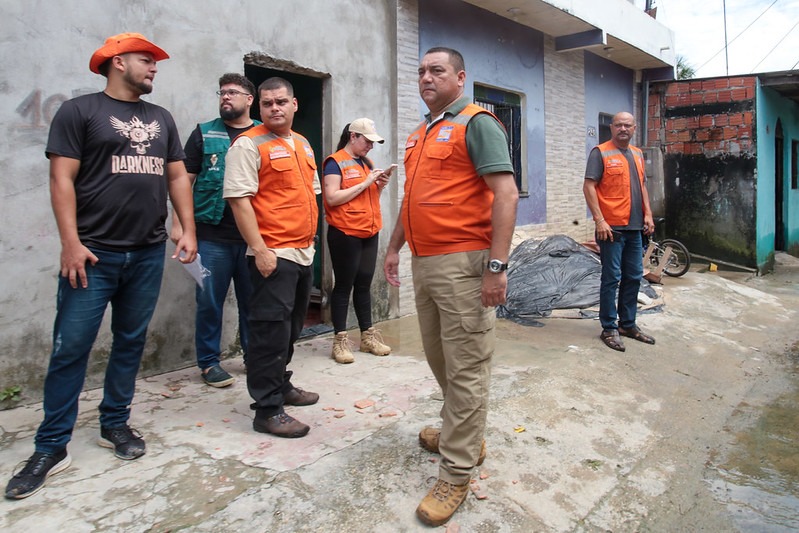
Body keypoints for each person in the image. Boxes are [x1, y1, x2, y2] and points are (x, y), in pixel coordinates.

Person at [5, 33, 197, 500]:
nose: (154, 67)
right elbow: (61, 178)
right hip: (93, 255)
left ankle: (115, 423)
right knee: (70, 348)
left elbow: (176, 175)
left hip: (147, 251)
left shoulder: (161, 117)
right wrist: (70, 243)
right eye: (146, 59)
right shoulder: (80, 111)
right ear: (117, 62)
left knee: (130, 342)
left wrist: (186, 228)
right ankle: (51, 446)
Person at [383, 47, 519, 527]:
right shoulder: (421, 132)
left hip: (464, 264)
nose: (426, 77)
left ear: (460, 78)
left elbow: (506, 193)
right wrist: (394, 247)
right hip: (425, 263)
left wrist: (496, 266)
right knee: (441, 358)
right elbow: (412, 199)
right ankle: (465, 432)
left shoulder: (476, 123)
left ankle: (457, 471)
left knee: (466, 367)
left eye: (436, 70)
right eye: (421, 71)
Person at [224, 77, 321, 439]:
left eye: (281, 102)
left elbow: (310, 194)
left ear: (294, 104)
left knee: (290, 329)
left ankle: (281, 384)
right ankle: (267, 410)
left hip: (302, 251)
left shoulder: (302, 143)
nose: (275, 108)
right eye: (267, 103)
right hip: (273, 253)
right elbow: (239, 200)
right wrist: (261, 250)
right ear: (259, 107)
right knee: (269, 334)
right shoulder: (248, 144)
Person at [171, 73, 260, 387]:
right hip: (211, 237)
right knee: (209, 302)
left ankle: (254, 357)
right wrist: (179, 225)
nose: (225, 97)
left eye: (233, 92)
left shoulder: (263, 134)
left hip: (253, 238)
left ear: (249, 99)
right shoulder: (204, 133)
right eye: (222, 92)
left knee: (254, 303)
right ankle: (209, 363)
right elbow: (183, 180)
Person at [583, 111, 656, 352]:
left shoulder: (637, 154)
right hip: (611, 229)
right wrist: (599, 220)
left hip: (635, 229)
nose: (623, 129)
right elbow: (589, 186)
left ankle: (627, 324)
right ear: (611, 128)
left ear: (634, 128)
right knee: (611, 277)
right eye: (618, 125)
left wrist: (648, 214)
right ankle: (609, 327)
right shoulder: (600, 152)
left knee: (634, 276)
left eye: (627, 125)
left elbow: (642, 186)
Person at [323, 118, 394, 364]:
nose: (371, 146)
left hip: (369, 231)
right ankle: (340, 341)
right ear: (353, 136)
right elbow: (332, 198)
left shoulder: (367, 163)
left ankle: (367, 337)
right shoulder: (334, 163)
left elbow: (367, 198)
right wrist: (366, 183)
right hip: (345, 232)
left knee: (364, 284)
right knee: (344, 286)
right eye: (367, 141)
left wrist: (379, 186)